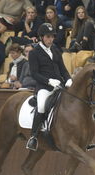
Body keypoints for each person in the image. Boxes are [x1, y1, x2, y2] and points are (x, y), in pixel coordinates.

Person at [26, 23, 72, 151]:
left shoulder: (55, 49)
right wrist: (49, 81)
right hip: (44, 87)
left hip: (59, 85)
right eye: (48, 37)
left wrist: (68, 79)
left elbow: (62, 68)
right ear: (41, 37)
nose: (50, 39)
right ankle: (33, 137)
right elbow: (34, 74)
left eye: (52, 37)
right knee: (41, 106)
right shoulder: (34, 53)